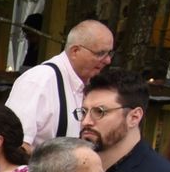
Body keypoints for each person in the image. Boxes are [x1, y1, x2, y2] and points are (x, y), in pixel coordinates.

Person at [6, 18, 115, 149]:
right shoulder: (39, 81)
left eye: (110, 53)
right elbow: (15, 145)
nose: (108, 60)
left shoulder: (89, 84)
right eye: (101, 53)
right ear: (75, 51)